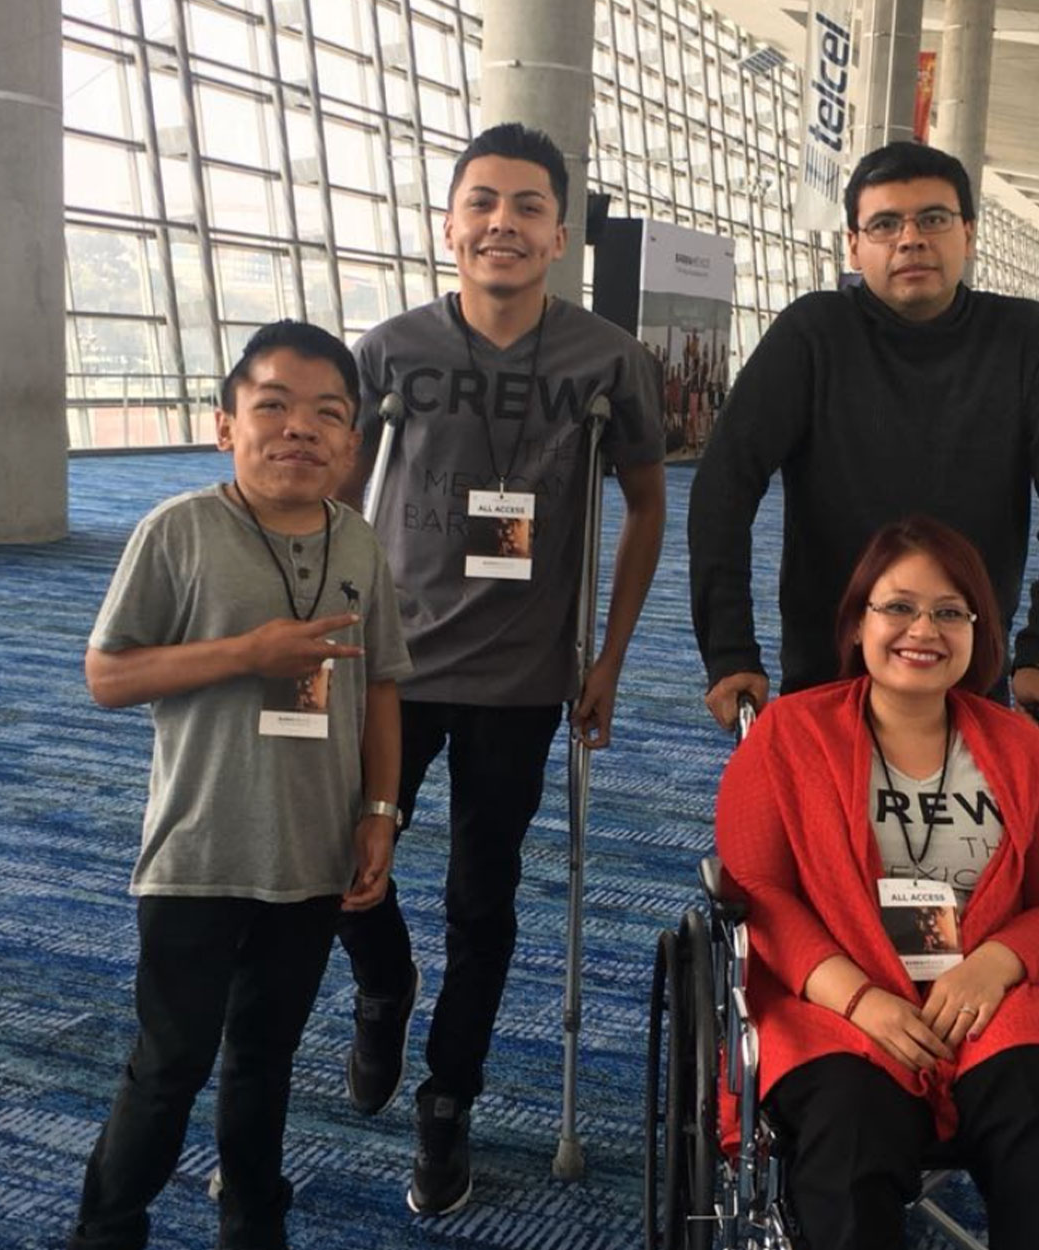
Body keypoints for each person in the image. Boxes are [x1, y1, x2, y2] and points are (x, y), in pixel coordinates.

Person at [339, 122, 667, 1216]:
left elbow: (646, 503)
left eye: (528, 206)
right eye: (482, 202)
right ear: (449, 226)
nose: (503, 224)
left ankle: (449, 1098)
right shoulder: (390, 352)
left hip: (522, 681)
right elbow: (336, 505)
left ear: (559, 236)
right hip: (390, 665)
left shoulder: (605, 361)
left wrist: (609, 654)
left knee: (483, 899)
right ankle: (383, 983)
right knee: (336, 858)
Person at [68, 320, 411, 1250]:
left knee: (265, 1057)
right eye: (273, 406)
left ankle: (254, 1224)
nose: (300, 429)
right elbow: (108, 675)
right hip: (199, 852)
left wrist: (379, 811)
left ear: (351, 445)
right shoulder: (177, 532)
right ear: (226, 425)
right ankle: (106, 1230)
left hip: (311, 853)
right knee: (169, 1064)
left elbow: (382, 685)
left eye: (327, 414)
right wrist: (246, 654)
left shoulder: (358, 544)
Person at [714, 516, 1039, 1250]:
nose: (923, 630)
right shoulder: (788, 736)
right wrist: (859, 998)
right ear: (858, 622)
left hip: (995, 999)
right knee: (849, 1145)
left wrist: (994, 966)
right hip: (836, 1002)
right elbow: (760, 894)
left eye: (949, 612)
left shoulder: (1020, 750)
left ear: (977, 631)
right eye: (899, 606)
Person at [689, 141, 1039, 730]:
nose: (910, 239)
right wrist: (729, 649)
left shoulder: (1023, 338)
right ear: (854, 246)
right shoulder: (814, 334)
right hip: (830, 668)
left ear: (968, 234)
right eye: (885, 224)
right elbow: (723, 489)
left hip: (966, 669)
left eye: (933, 219)